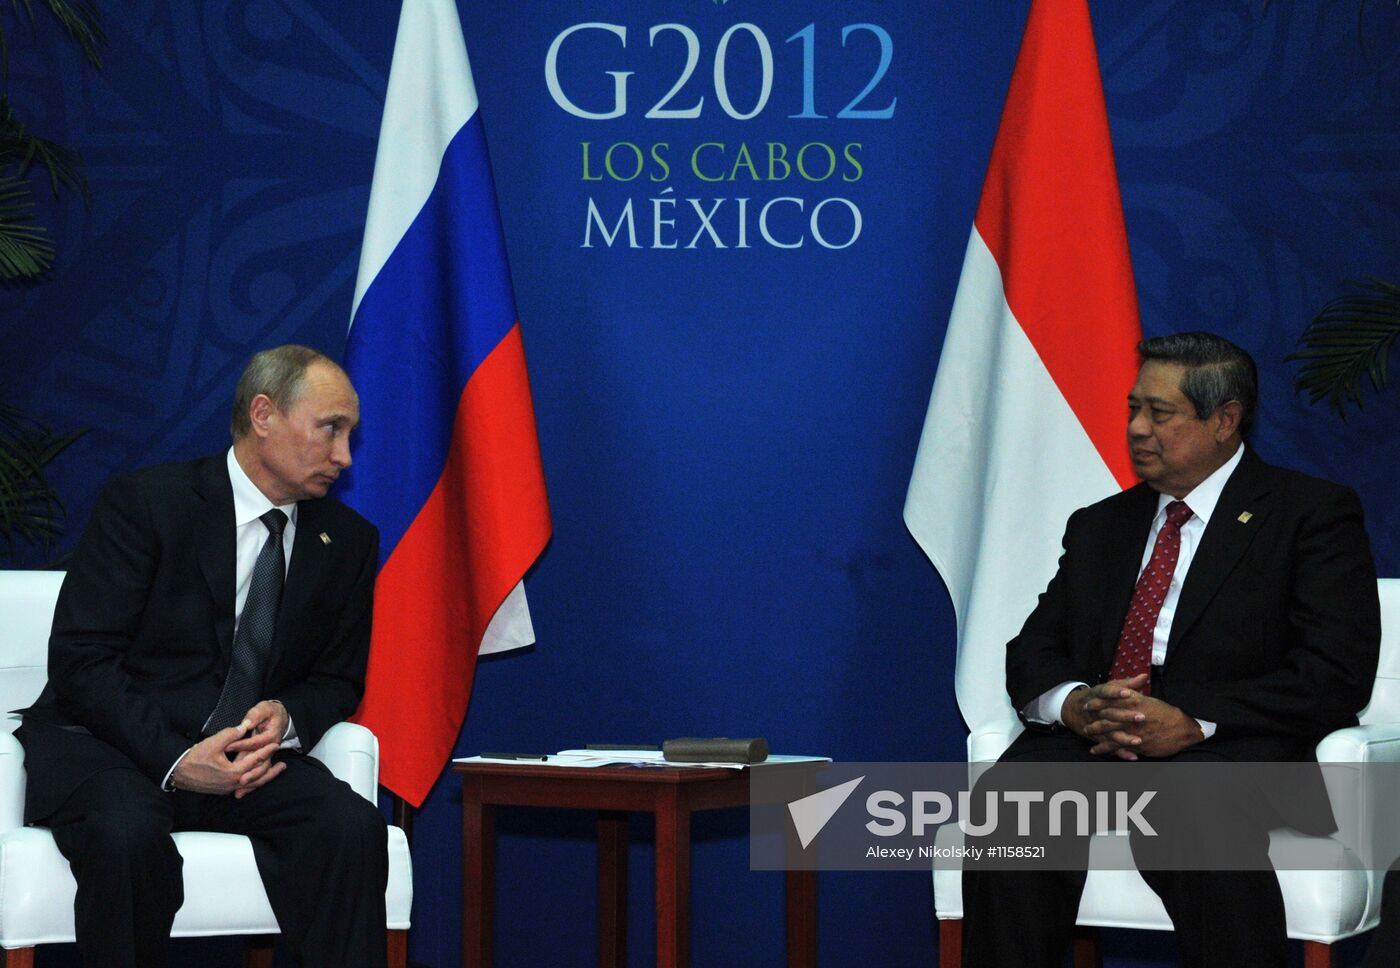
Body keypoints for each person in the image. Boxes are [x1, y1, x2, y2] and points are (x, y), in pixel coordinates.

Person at [961, 331, 1381, 968]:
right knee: (1008, 805)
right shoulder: (1102, 524)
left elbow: (1334, 674)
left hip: (1237, 746)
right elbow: (1034, 647)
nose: (1136, 428)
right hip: (1100, 741)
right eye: (1134, 408)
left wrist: (1192, 720)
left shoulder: (1310, 514)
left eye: (1159, 413)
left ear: (1224, 420)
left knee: (1187, 807)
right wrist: (1074, 704)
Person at [16, 345, 387, 968]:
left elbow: (337, 679)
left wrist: (289, 716)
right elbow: (83, 661)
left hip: (244, 760)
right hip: (115, 747)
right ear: (263, 414)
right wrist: (177, 759)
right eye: (331, 429)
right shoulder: (149, 503)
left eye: (350, 434)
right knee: (127, 837)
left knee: (349, 829)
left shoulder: (346, 540)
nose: (345, 456)